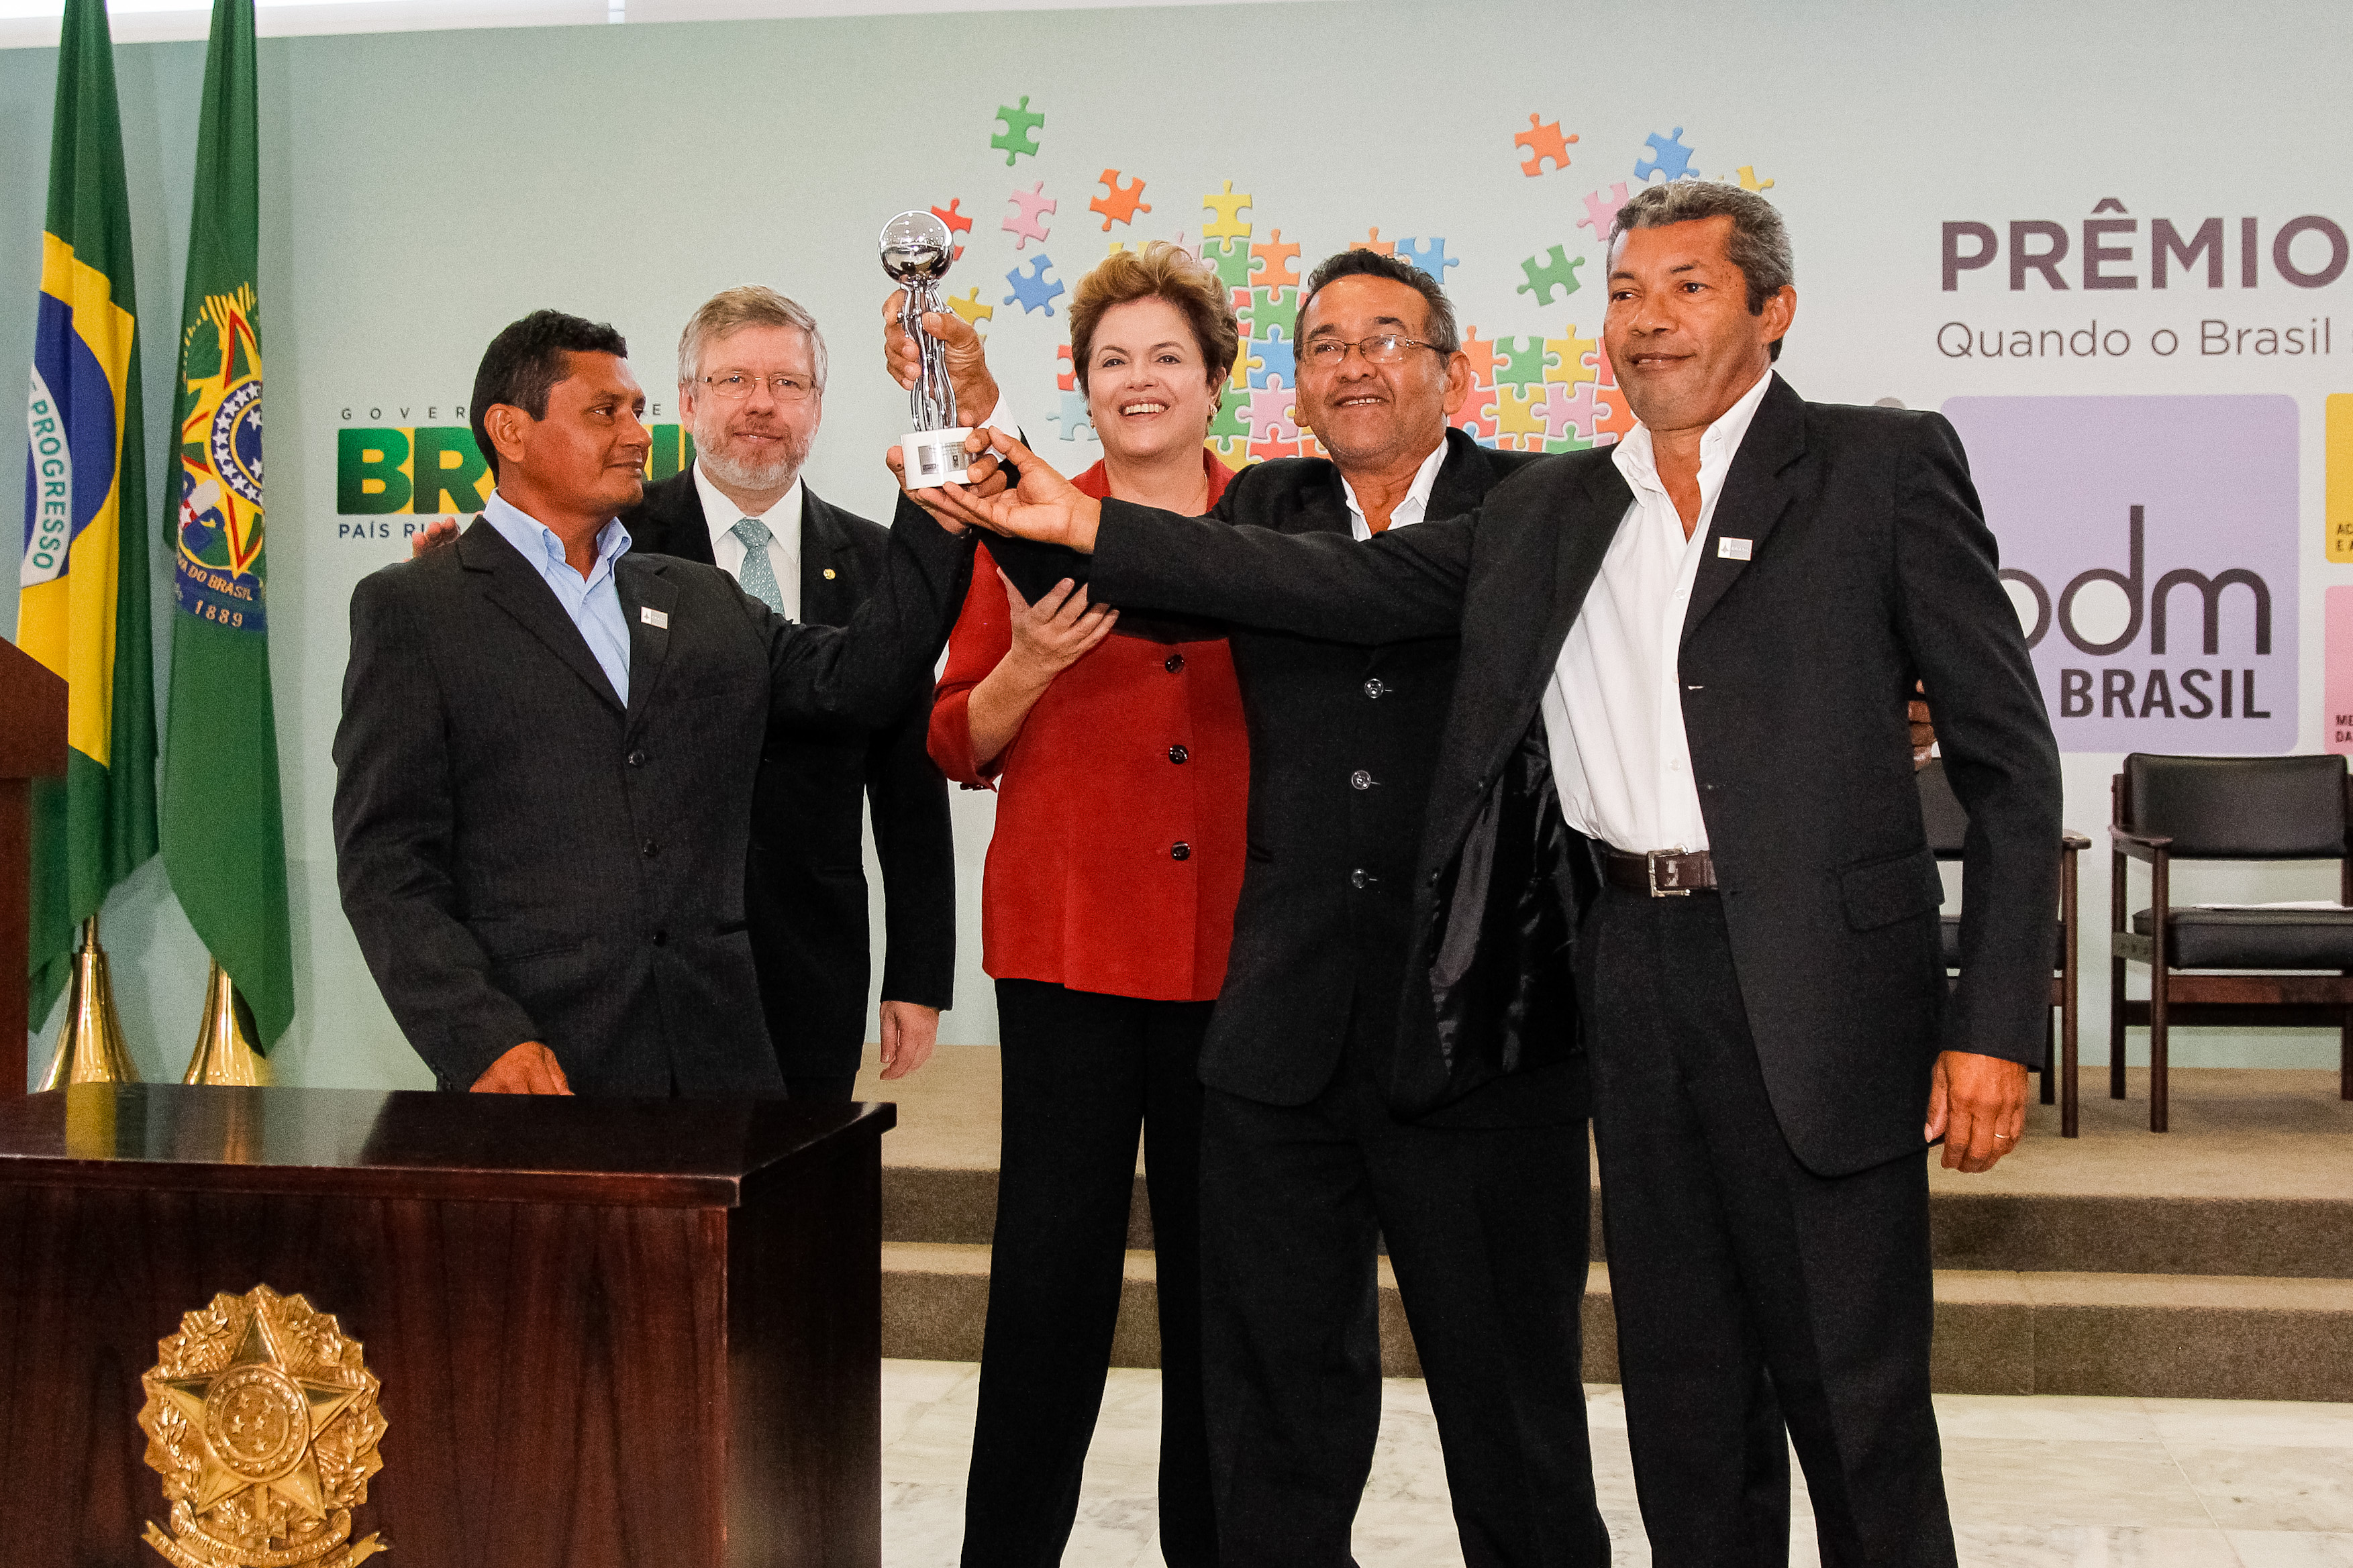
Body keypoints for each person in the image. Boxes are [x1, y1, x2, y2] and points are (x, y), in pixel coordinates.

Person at [932, 183, 2062, 1568]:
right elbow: (1320, 588)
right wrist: (1072, 514)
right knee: (1681, 1401)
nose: (1649, 319)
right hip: (1596, 980)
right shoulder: (1564, 506)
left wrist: (1993, 1017)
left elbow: (2006, 757)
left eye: (1687, 288)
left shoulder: (1847, 467)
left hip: (1748, 996)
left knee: (1849, 1400)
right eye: (1628, 293)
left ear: (1772, 310)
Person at [911, 249, 1610, 1568]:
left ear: (1450, 368)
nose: (1355, 364)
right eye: (1327, 344)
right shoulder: (1269, 504)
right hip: (1282, 1028)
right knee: (1279, 1398)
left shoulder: (1536, 502)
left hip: (1477, 1021)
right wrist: (975, 424)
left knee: (1508, 1396)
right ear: (1294, 381)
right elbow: (1123, 539)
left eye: (1386, 338)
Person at [334, 309, 972, 1097]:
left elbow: (861, 679)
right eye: (605, 412)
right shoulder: (418, 608)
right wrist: (483, 1040)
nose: (637, 434)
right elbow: (388, 866)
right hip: (540, 1058)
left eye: (638, 411)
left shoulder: (698, 596)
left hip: (721, 1058)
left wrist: (940, 492)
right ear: (510, 429)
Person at [890, 242, 1242, 1567]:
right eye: (1111, 362)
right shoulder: (1013, 522)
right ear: (1082, 390)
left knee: (1226, 1298)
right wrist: (1029, 665)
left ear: (1213, 380)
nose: (1138, 381)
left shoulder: (1279, 523)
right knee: (1047, 1289)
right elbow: (949, 738)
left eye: (1165, 357)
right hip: (1068, 953)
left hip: (1238, 963)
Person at [621, 286, 954, 1099]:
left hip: (814, 953)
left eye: (788, 384)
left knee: (802, 1200)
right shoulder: (616, 543)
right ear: (688, 402)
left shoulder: (881, 561)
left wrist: (917, 971)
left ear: (817, 405)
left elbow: (908, 781)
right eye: (734, 382)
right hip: (650, 957)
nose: (761, 406)